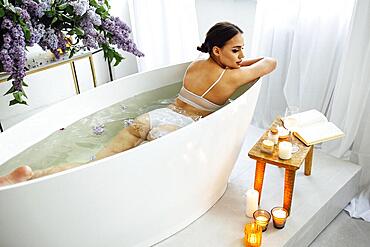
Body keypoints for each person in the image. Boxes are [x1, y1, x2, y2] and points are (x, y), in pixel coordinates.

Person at [0, 22, 276, 187]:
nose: (242, 55)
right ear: (217, 50)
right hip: (175, 127)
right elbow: (269, 63)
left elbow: (236, 61)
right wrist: (241, 64)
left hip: (154, 116)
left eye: (243, 49)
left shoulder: (194, 66)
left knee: (97, 161)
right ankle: (31, 178)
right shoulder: (230, 79)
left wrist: (234, 59)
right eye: (236, 49)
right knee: (116, 174)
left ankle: (32, 176)